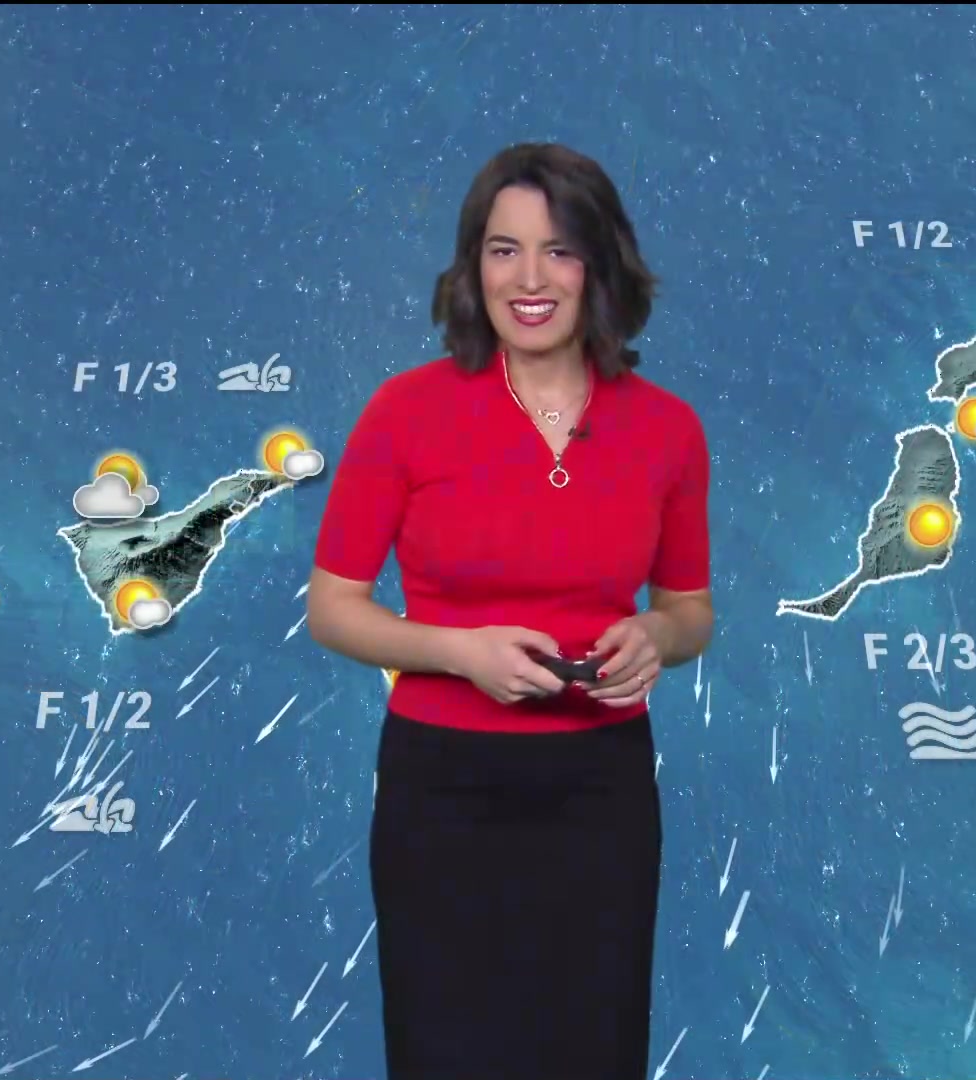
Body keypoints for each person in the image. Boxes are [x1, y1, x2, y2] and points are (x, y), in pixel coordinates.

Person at [306, 142, 714, 1080]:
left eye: (558, 250)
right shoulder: (405, 413)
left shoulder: (668, 428)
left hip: (602, 791)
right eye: (503, 250)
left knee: (593, 1051)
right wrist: (462, 654)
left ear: (599, 265)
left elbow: (691, 610)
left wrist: (657, 635)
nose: (529, 279)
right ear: (473, 266)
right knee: (447, 1053)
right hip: (442, 790)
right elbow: (333, 608)